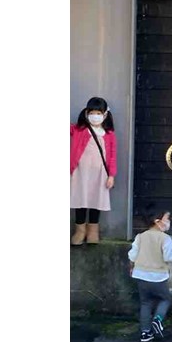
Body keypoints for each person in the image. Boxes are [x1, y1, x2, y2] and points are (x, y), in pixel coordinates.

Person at [128, 208, 172, 342]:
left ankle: (145, 333)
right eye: (167, 219)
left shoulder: (140, 237)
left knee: (145, 302)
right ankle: (157, 320)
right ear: (157, 222)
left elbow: (132, 255)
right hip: (158, 276)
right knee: (165, 299)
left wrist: (132, 266)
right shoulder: (165, 238)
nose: (169, 222)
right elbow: (168, 256)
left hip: (140, 275)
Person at [71, 97, 116, 245]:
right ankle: (80, 231)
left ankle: (93, 232)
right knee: (80, 200)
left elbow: (112, 155)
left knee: (97, 201)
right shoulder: (79, 130)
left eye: (98, 113)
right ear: (86, 113)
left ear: (105, 114)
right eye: (92, 113)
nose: (95, 116)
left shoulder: (109, 134)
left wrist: (111, 175)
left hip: (100, 174)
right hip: (81, 172)